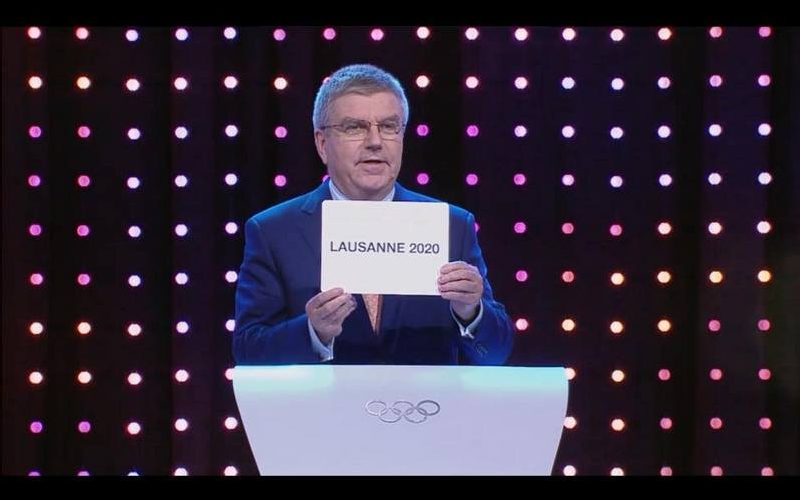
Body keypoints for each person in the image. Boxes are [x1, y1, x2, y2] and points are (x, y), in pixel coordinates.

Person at [233, 63, 513, 366]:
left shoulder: (452, 225)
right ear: (322, 144)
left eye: (389, 126)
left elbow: (496, 354)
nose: (375, 142)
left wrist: (471, 311)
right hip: (325, 398)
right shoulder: (273, 231)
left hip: (424, 398)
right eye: (355, 127)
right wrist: (313, 332)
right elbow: (248, 352)